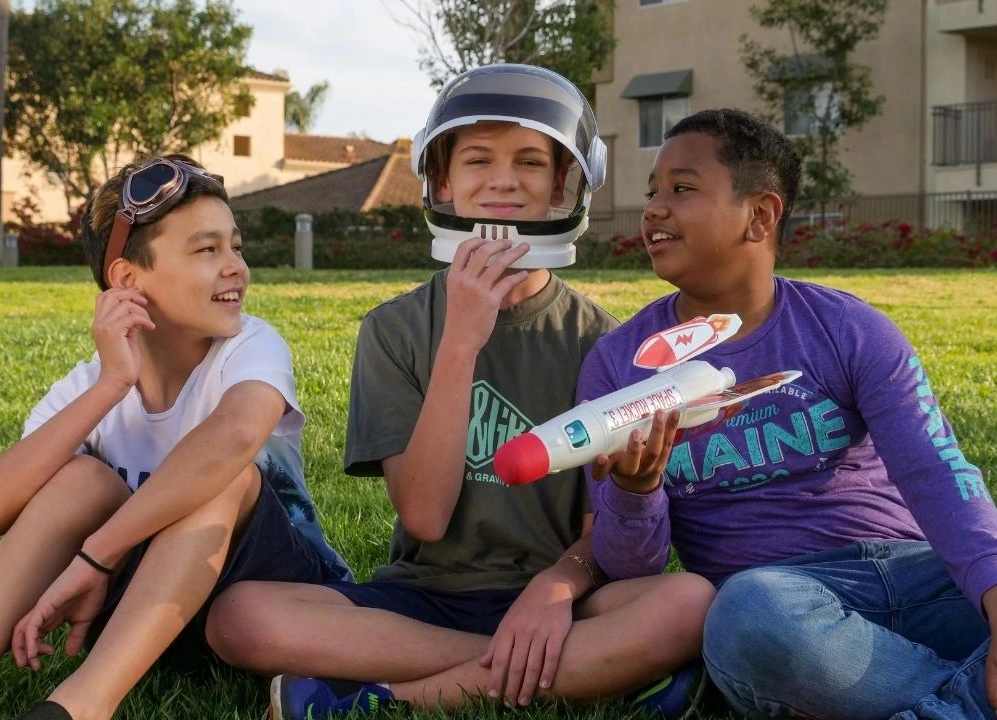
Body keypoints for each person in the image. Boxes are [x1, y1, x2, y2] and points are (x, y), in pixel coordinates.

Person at [579, 108, 997, 720]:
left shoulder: (848, 329)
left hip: (923, 580)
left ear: (760, 215)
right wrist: (635, 489)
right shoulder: (620, 365)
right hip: (786, 610)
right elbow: (630, 569)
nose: (652, 209)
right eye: (652, 193)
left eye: (682, 188)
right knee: (744, 615)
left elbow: (938, 472)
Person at [204, 64, 717, 719]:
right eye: (478, 159)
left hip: (560, 593)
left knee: (689, 601)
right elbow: (423, 517)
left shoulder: (605, 342)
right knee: (240, 618)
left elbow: (603, 534)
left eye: (531, 161)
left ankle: (395, 700)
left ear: (566, 183)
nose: (503, 179)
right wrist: (460, 342)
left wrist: (556, 590)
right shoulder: (394, 330)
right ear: (442, 180)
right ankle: (558, 670)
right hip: (425, 594)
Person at [0, 155, 351, 720]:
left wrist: (97, 555)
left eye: (236, 246)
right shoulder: (91, 383)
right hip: (145, 608)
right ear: (129, 281)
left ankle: (76, 709)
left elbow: (233, 438)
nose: (236, 267)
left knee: (221, 479)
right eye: (207, 250)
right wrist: (113, 382)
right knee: (81, 479)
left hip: (273, 588)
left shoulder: (251, 346)